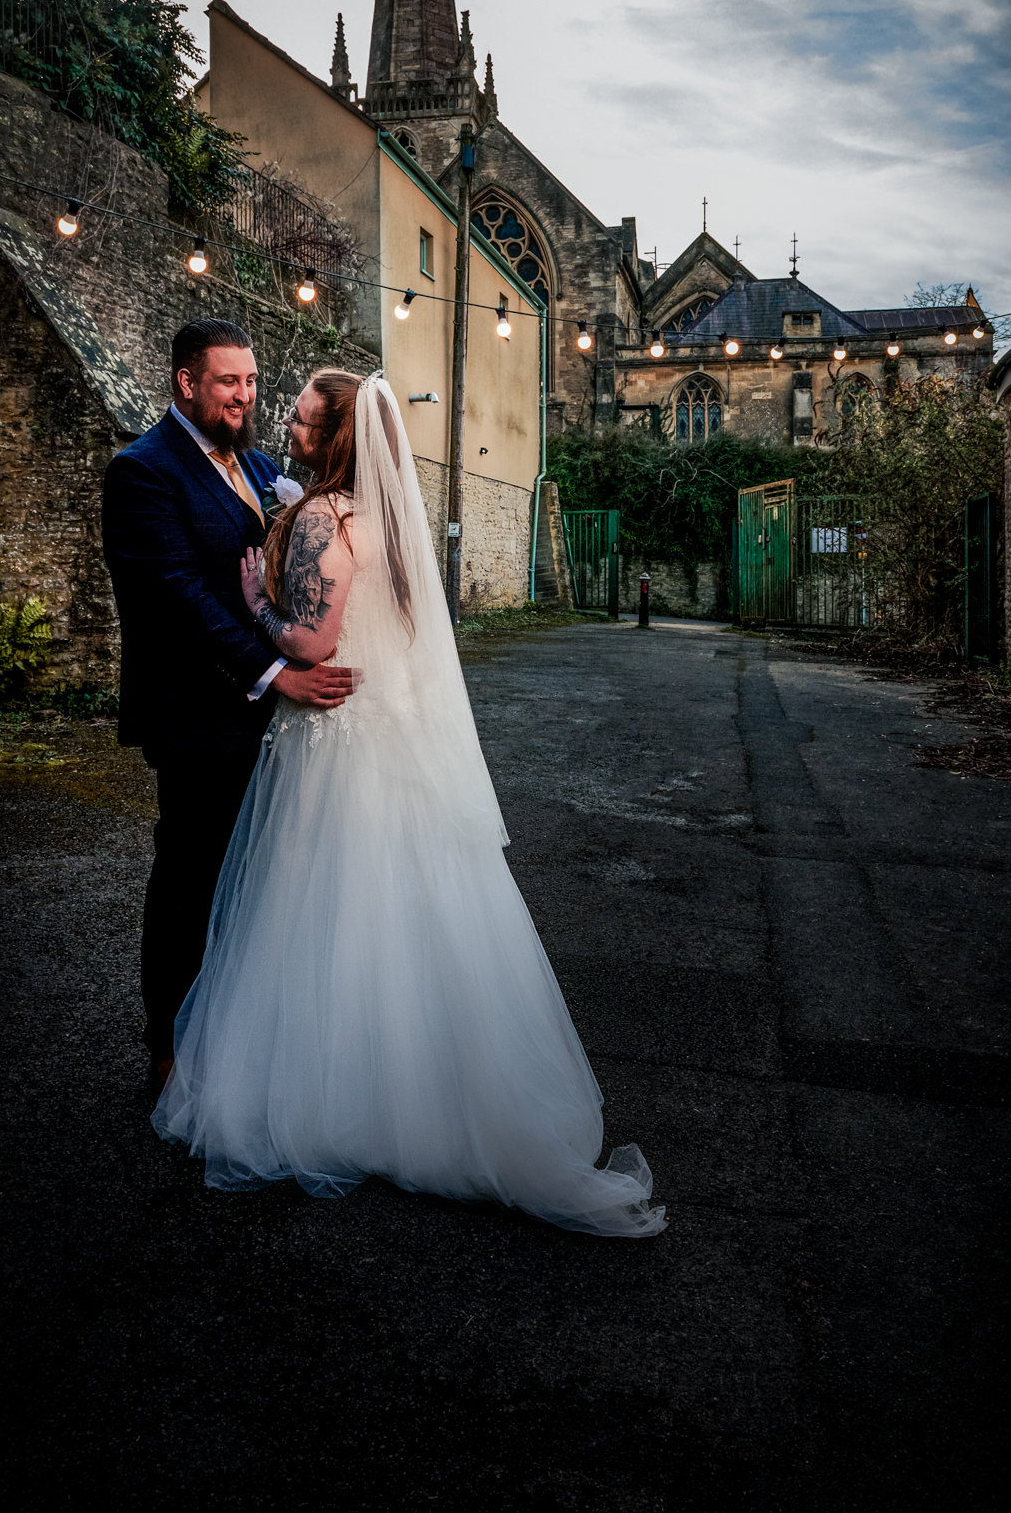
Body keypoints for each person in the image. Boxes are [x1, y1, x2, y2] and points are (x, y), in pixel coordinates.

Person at [153, 368, 665, 1239]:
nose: (288, 422)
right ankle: (432, 1095)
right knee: (413, 910)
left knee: (325, 909)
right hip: (393, 740)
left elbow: (313, 640)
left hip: (335, 742)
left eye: (303, 418)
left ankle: (336, 1097)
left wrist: (254, 608)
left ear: (331, 438)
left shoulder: (322, 517)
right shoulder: (391, 518)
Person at [101, 320, 355, 1085]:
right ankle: (169, 1047)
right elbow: (175, 595)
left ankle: (234, 1033)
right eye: (227, 383)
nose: (244, 396)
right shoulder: (143, 471)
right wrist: (278, 672)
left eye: (248, 382)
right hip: (194, 714)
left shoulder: (264, 463)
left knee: (253, 880)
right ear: (186, 383)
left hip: (264, 723)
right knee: (189, 877)